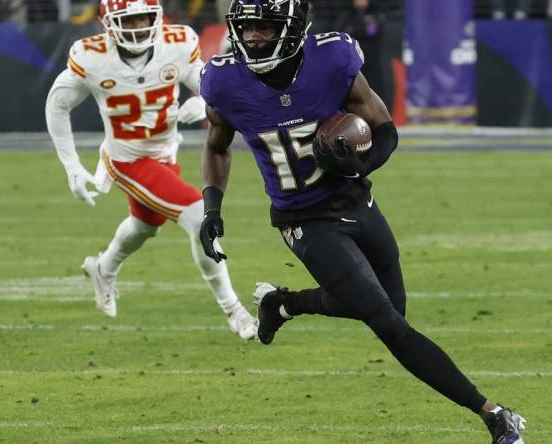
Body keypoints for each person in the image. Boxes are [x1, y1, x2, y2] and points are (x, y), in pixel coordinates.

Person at [199, 0, 526, 442]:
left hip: (356, 200)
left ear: (293, 28)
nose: (255, 37)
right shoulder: (223, 80)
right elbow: (217, 147)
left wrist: (359, 164)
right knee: (390, 324)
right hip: (304, 219)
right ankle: (493, 414)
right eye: (248, 28)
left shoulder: (332, 59)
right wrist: (212, 207)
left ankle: (284, 303)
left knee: (390, 308)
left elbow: (386, 129)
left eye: (267, 27)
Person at [45, 0, 256, 340]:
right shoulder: (92, 56)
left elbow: (205, 83)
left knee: (146, 225)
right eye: (129, 20)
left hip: (163, 151)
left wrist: (202, 101)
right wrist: (71, 166)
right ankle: (234, 309)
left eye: (144, 18)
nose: (139, 26)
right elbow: (57, 104)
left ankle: (103, 268)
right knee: (199, 216)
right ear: (108, 24)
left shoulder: (176, 43)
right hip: (126, 159)